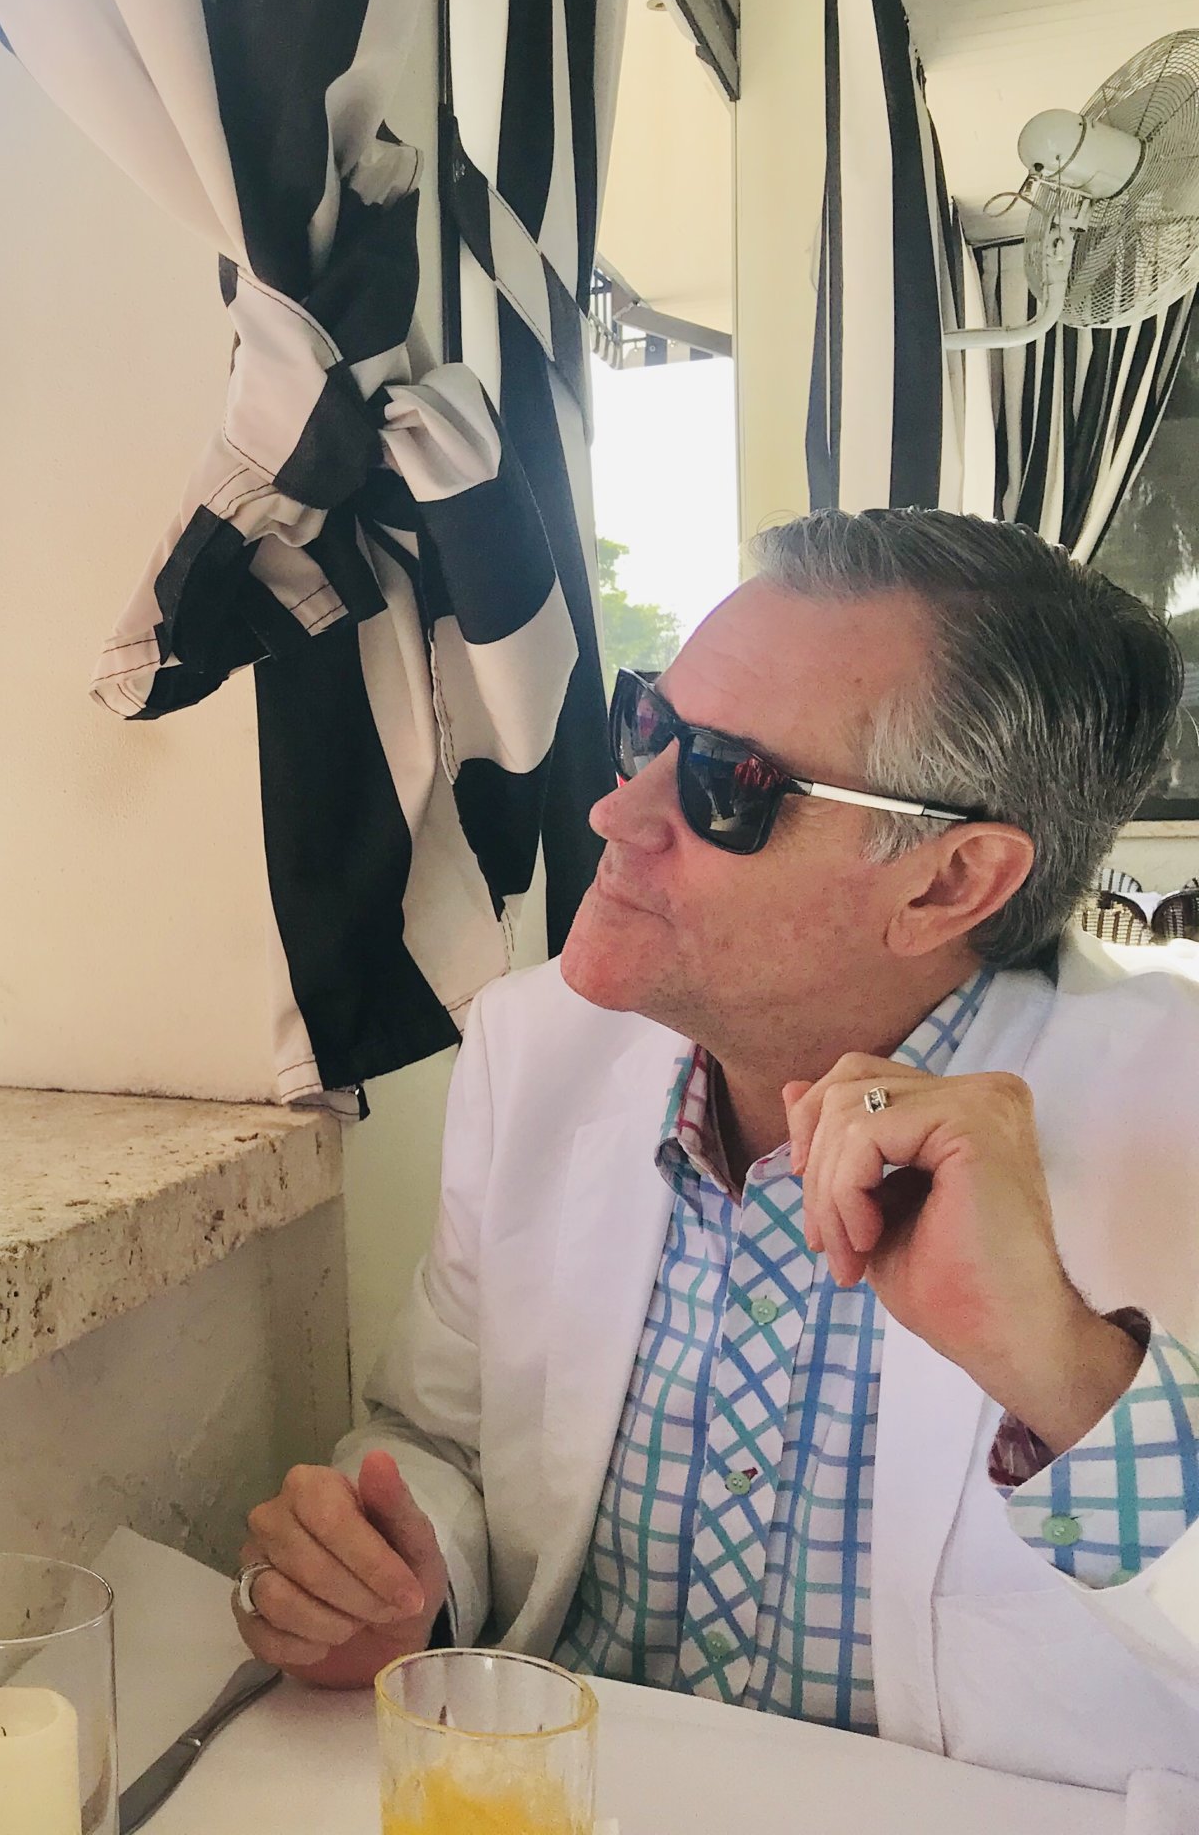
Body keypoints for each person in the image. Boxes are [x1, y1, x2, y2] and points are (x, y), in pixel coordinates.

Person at [235, 509, 1199, 1790]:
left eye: (726, 783)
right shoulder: (539, 1055)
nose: (615, 810)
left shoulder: (1172, 1115)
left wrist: (1063, 1371)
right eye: (647, 731)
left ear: (949, 882)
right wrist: (408, 1574)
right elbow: (446, 1440)